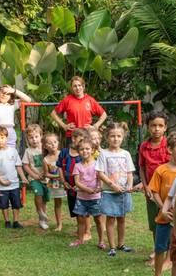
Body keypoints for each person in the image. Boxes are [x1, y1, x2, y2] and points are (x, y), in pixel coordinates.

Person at [144, 131, 176, 276]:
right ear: (170, 149)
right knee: (159, 249)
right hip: (164, 218)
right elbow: (154, 191)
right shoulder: (161, 170)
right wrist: (163, 208)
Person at [96, 122, 135, 257]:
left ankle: (121, 244)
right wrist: (112, 185)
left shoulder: (126, 154)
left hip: (123, 193)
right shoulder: (103, 154)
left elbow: (129, 172)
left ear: (123, 138)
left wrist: (129, 185)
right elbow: (100, 173)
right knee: (111, 219)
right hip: (109, 192)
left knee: (122, 218)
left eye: (119, 136)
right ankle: (112, 247)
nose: (115, 139)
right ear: (107, 137)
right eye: (112, 136)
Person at [138, 110, 170, 266]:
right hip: (151, 192)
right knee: (155, 223)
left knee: (168, 221)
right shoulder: (144, 146)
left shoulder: (169, 146)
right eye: (153, 125)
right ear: (148, 127)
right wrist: (146, 187)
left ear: (165, 127)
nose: (156, 129)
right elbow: (142, 168)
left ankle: (169, 255)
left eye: (160, 126)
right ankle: (158, 250)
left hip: (167, 191)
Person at [0, 126, 28, 229]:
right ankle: (7, 221)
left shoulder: (13, 151)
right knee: (3, 204)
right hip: (0, 186)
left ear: (7, 137)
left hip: (14, 184)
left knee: (16, 204)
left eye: (2, 137)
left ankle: (16, 221)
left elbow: (18, 166)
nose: (0, 140)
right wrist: (1, 181)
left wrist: (23, 177)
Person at [51, 76, 107, 143]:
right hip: (72, 136)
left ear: (83, 86)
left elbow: (104, 115)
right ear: (72, 88)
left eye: (79, 85)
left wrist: (95, 126)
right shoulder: (67, 100)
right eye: (75, 86)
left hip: (86, 135)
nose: (77, 88)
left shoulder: (90, 100)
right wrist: (64, 126)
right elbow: (53, 113)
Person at [70, 139, 105, 248]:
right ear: (78, 151)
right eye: (81, 149)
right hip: (81, 198)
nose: (84, 151)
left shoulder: (97, 164)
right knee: (81, 220)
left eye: (87, 149)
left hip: (95, 198)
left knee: (98, 220)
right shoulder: (77, 166)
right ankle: (80, 240)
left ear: (93, 150)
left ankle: (101, 241)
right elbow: (77, 182)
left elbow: (101, 178)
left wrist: (99, 187)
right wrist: (87, 189)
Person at [0, 85, 32, 153]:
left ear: (11, 96)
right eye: (2, 92)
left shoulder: (12, 105)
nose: (4, 95)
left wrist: (13, 90)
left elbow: (28, 100)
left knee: (10, 156)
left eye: (8, 94)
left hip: (9, 135)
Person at [57, 128, 87, 234]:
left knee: (83, 210)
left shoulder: (83, 153)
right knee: (75, 209)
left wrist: (81, 185)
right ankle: (80, 230)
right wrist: (63, 181)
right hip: (69, 187)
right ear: (73, 138)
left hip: (82, 187)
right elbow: (60, 167)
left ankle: (86, 231)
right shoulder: (64, 152)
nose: (83, 142)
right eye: (81, 140)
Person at [21, 124, 50, 230]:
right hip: (34, 178)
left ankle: (43, 218)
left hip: (46, 178)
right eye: (31, 137)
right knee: (38, 193)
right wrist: (34, 175)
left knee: (45, 198)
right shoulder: (28, 151)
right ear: (27, 139)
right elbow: (25, 165)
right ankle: (40, 212)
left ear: (41, 136)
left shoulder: (45, 149)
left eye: (36, 136)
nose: (34, 139)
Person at [42, 132, 66, 232]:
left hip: (67, 182)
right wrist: (57, 176)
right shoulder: (46, 159)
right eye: (50, 143)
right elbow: (46, 174)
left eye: (55, 142)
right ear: (45, 146)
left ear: (58, 143)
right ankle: (59, 224)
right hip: (55, 184)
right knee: (58, 203)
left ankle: (82, 224)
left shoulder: (63, 154)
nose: (53, 144)